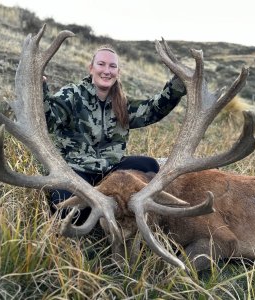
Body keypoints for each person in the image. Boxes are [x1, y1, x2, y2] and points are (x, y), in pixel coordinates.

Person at [43, 45, 186, 223]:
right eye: (101, 64)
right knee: (67, 212)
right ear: (91, 68)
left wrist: (177, 86)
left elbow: (153, 110)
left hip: (111, 170)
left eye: (112, 66)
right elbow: (49, 119)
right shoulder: (72, 94)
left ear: (118, 72)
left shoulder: (122, 103)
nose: (106, 71)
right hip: (77, 170)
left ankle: (129, 211)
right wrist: (41, 90)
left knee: (149, 165)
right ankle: (104, 213)